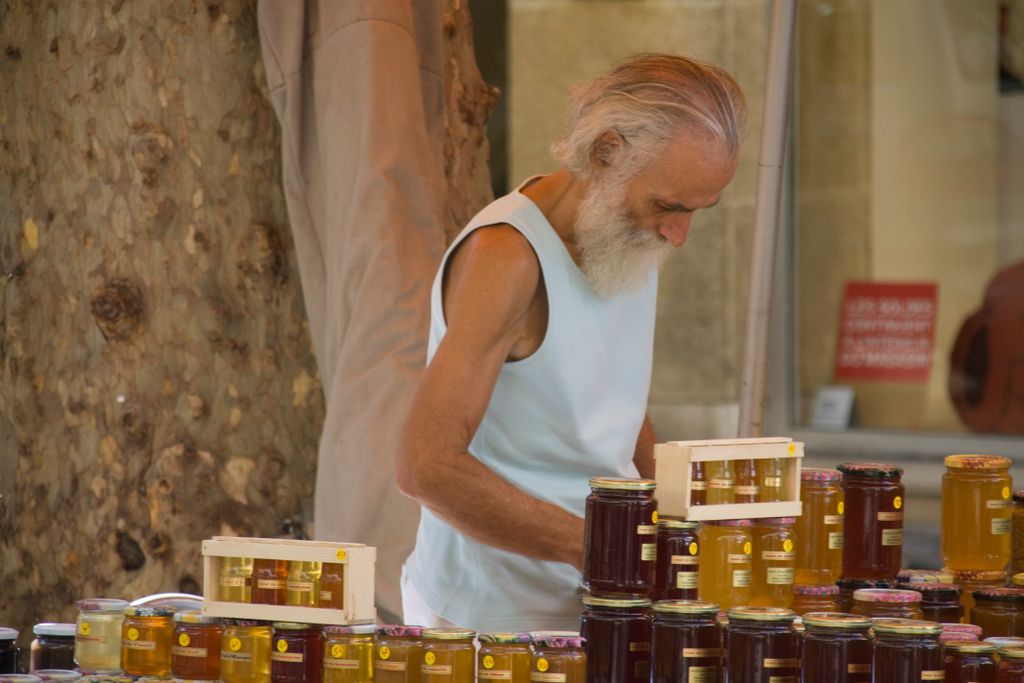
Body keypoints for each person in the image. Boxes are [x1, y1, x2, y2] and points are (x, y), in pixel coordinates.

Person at [396, 53, 747, 631]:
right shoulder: (506, 259)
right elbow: (425, 467)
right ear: (606, 152)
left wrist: (682, 510)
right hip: (486, 621)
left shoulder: (628, 231)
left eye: (697, 212)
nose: (678, 235)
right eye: (669, 206)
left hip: (594, 601)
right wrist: (605, 549)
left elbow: (608, 396)